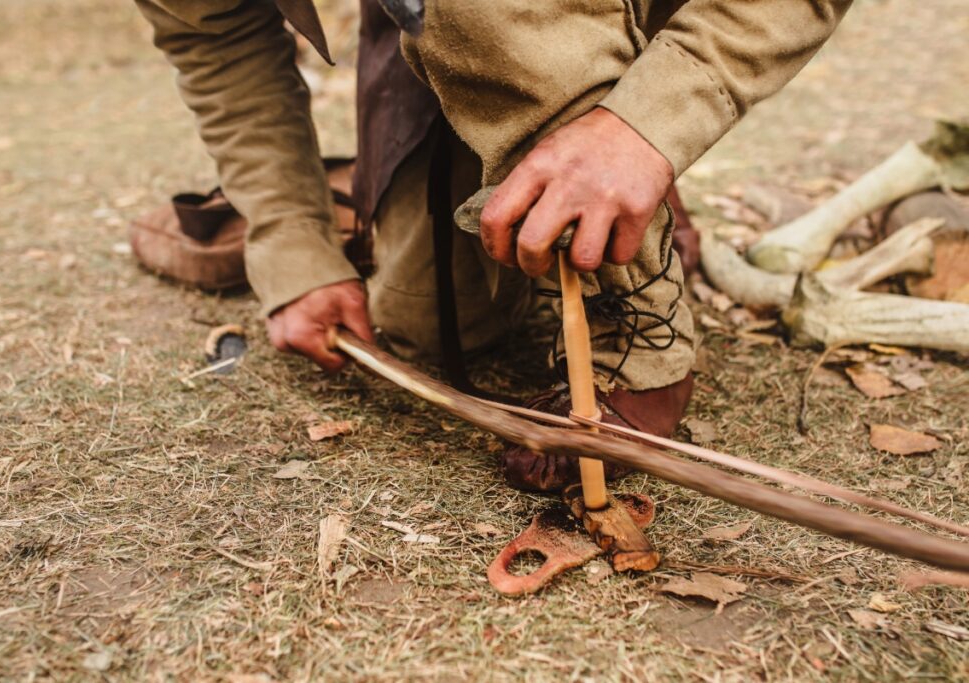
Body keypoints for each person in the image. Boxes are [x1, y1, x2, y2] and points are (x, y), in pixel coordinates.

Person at [135, 0, 851, 491]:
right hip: (431, 24)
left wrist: (648, 122)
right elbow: (215, 36)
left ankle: (641, 339)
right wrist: (293, 242)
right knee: (425, 317)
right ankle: (555, 144)